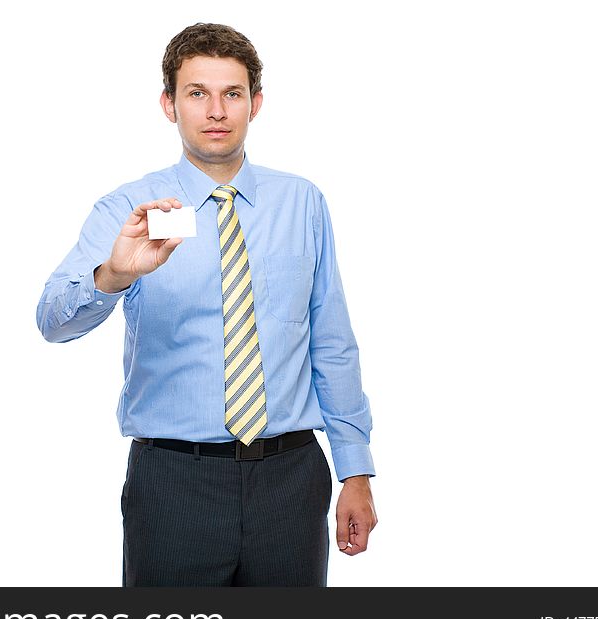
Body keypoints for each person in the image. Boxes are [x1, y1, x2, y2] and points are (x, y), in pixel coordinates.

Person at [36, 22, 377, 586]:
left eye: (232, 93)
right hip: (174, 482)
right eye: (197, 93)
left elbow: (332, 343)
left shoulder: (302, 203)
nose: (216, 110)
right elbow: (52, 320)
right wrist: (115, 273)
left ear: (256, 103)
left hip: (291, 481)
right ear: (169, 105)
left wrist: (355, 468)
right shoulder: (132, 208)